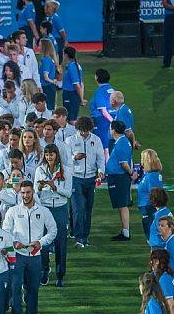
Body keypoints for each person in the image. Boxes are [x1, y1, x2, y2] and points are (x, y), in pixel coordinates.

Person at [5, 181, 57, 314]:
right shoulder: (13, 211)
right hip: (18, 255)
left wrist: (41, 242)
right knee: (15, 287)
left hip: (35, 255)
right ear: (19, 193)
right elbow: (5, 231)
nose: (25, 196)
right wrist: (14, 243)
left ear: (33, 192)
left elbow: (53, 230)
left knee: (33, 287)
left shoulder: (43, 211)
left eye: (28, 192)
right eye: (23, 193)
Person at [35, 144, 72, 287]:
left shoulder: (66, 171)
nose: (49, 157)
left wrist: (55, 187)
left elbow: (68, 193)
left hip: (60, 208)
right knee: (43, 242)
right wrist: (39, 187)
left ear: (56, 155)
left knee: (60, 243)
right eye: (46, 154)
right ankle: (44, 270)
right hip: (45, 208)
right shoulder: (40, 170)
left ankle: (60, 274)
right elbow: (34, 191)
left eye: (51, 154)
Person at [66, 116, 105, 248]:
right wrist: (74, 157)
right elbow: (65, 160)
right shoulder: (70, 140)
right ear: (78, 129)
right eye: (82, 131)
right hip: (75, 178)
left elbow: (100, 158)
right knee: (79, 208)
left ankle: (85, 237)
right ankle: (78, 237)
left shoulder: (96, 140)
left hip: (90, 179)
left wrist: (101, 170)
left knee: (88, 208)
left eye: (87, 131)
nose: (84, 133)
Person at [108, 120, 136, 242]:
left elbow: (124, 163)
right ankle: (124, 231)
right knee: (121, 205)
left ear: (113, 130)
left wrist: (131, 173)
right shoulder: (122, 141)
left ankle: (126, 233)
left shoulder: (121, 143)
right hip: (119, 177)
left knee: (123, 205)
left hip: (119, 177)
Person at [137, 149, 164, 239]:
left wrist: (159, 212)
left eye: (142, 159)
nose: (141, 162)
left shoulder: (152, 177)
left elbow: (156, 195)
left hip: (150, 212)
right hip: (148, 212)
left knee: (154, 240)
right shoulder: (150, 175)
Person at [88, 68, 114, 153]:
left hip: (102, 120)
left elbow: (103, 110)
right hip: (112, 118)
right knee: (110, 143)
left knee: (103, 146)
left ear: (97, 77)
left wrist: (112, 122)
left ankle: (104, 165)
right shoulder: (112, 89)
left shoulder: (99, 91)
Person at [60, 47, 85, 123]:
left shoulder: (72, 67)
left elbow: (77, 85)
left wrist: (81, 99)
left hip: (70, 95)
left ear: (66, 55)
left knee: (71, 119)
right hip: (72, 95)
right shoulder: (75, 65)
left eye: (63, 54)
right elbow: (81, 84)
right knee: (70, 118)